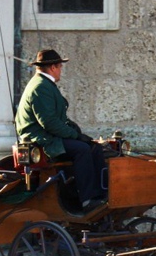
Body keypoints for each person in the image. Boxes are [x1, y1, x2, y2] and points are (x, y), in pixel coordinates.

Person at [15, 49, 107, 213]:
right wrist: (75, 135)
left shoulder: (45, 84)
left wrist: (77, 132)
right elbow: (49, 122)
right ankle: (87, 200)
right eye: (60, 67)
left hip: (48, 136)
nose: (61, 71)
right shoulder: (40, 87)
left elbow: (57, 119)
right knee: (82, 149)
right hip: (41, 140)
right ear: (53, 67)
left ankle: (100, 194)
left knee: (95, 148)